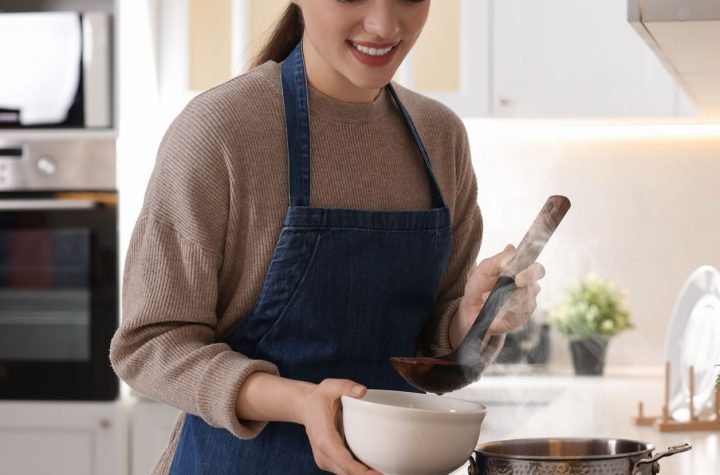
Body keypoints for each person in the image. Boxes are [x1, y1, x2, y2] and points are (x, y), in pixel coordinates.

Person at [110, 1, 545, 474]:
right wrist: (301, 402)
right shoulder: (221, 131)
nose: (384, 24)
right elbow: (149, 345)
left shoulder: (441, 138)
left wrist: (472, 320)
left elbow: (438, 361)